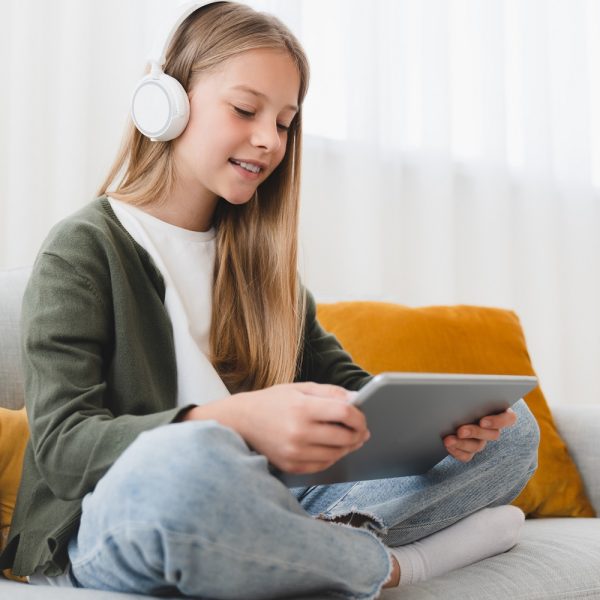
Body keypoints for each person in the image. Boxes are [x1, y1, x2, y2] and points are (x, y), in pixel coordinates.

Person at [0, 1, 540, 598]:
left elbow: (350, 392)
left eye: (284, 122)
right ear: (168, 102)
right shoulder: (84, 249)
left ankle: (292, 544)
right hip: (118, 514)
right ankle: (391, 565)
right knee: (191, 463)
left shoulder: (262, 267)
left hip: (270, 496)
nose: (268, 140)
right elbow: (63, 449)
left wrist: (430, 428)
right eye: (245, 109)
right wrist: (232, 420)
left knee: (516, 433)